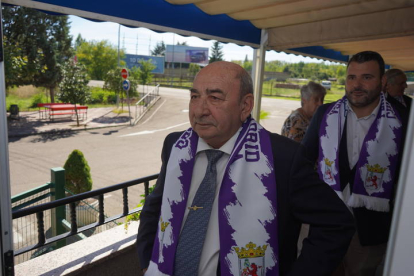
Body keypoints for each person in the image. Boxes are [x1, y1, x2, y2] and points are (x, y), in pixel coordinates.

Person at [136, 61, 354, 276]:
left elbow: (336, 223)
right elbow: (156, 205)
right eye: (195, 97)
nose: (200, 110)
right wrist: (148, 262)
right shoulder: (175, 145)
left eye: (214, 98)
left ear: (245, 106)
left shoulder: (282, 158)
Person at [302, 51, 409, 275]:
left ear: (382, 82)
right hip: (326, 224)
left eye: (366, 77)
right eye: (352, 78)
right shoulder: (325, 114)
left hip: (371, 229)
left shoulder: (405, 119)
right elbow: (303, 162)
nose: (357, 84)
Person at [281, 81, 326, 256]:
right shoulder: (297, 121)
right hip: (298, 185)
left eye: (322, 99)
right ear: (304, 100)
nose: (320, 104)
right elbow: (295, 158)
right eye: (316, 100)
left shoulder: (309, 119)